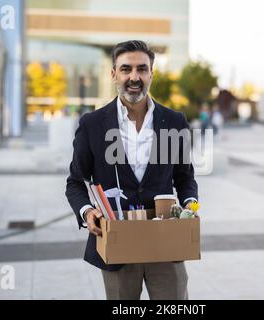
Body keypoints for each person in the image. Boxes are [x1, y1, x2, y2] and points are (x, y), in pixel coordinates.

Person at [65, 40, 198, 300]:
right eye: (126, 69)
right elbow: (75, 181)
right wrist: (87, 211)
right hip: (117, 245)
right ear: (114, 73)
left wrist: (190, 205)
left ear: (151, 73)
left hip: (165, 242)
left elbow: (185, 177)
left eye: (141, 69)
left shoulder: (174, 122)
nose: (134, 77)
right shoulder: (92, 124)